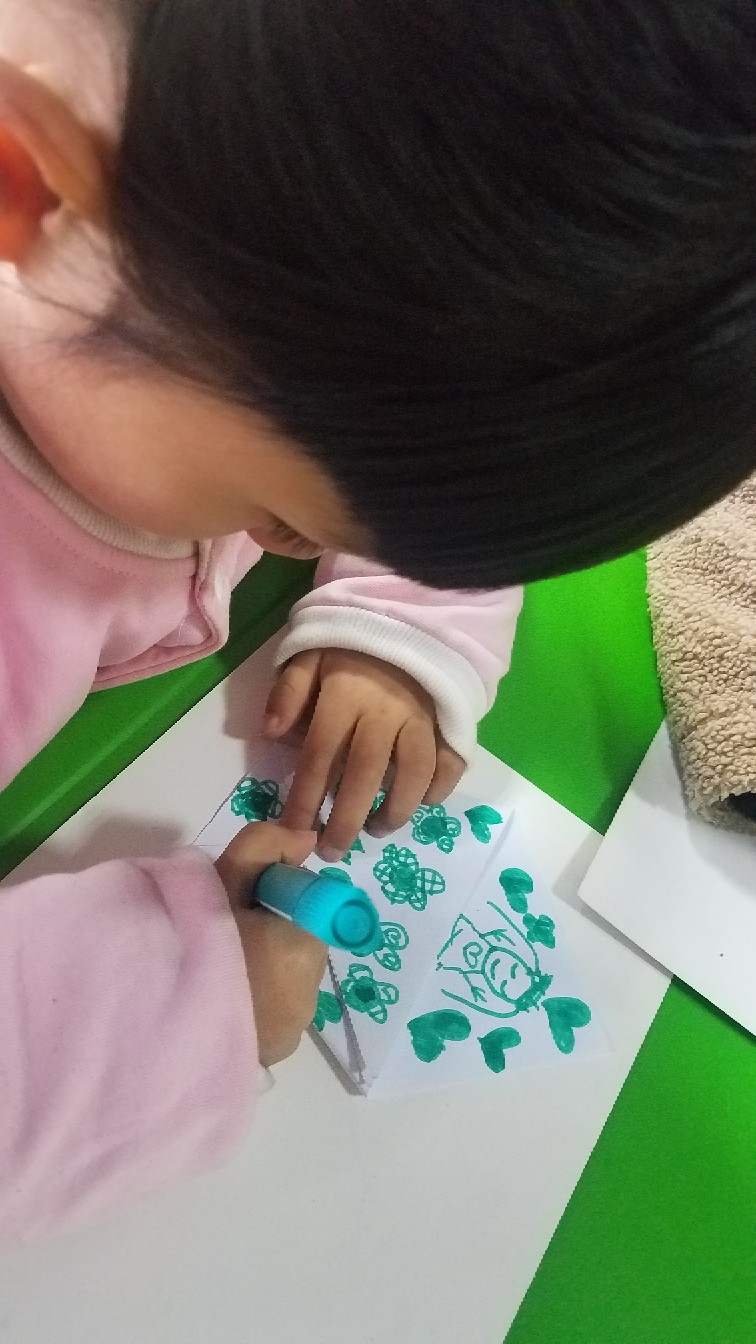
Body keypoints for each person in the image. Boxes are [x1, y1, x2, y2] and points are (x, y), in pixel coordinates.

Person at [0, 0, 753, 1242]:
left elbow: (426, 384)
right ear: (25, 182)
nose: (296, 545)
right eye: (283, 515)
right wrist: (169, 1007)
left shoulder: (193, 239)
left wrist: (398, 616)